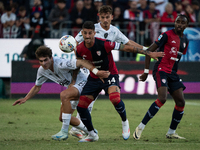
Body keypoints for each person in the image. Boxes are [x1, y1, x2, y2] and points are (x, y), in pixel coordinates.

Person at [70, 5, 156, 138]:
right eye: (102, 17)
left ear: (112, 17)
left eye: (107, 17)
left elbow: (128, 43)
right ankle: (81, 126)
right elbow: (74, 43)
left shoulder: (114, 31)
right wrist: (80, 59)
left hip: (108, 68)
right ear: (99, 16)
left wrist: (146, 49)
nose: (105, 20)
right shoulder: (91, 29)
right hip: (91, 69)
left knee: (108, 100)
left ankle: (83, 126)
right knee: (86, 101)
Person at [12, 45, 110, 141]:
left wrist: (77, 80)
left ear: (51, 58)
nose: (43, 63)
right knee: (63, 118)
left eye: (46, 60)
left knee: (64, 95)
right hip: (74, 88)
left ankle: (64, 132)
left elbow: (80, 62)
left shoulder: (60, 63)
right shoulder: (42, 71)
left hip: (84, 83)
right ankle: (91, 131)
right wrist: (25, 98)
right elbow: (37, 87)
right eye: (41, 61)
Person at [133, 14, 189, 140]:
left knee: (181, 102)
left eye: (182, 22)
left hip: (173, 73)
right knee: (162, 98)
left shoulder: (185, 40)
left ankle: (171, 132)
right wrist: (146, 71)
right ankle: (140, 127)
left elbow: (176, 59)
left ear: (186, 25)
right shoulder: (166, 35)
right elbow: (148, 51)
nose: (179, 24)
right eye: (177, 22)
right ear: (174, 23)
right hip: (161, 69)